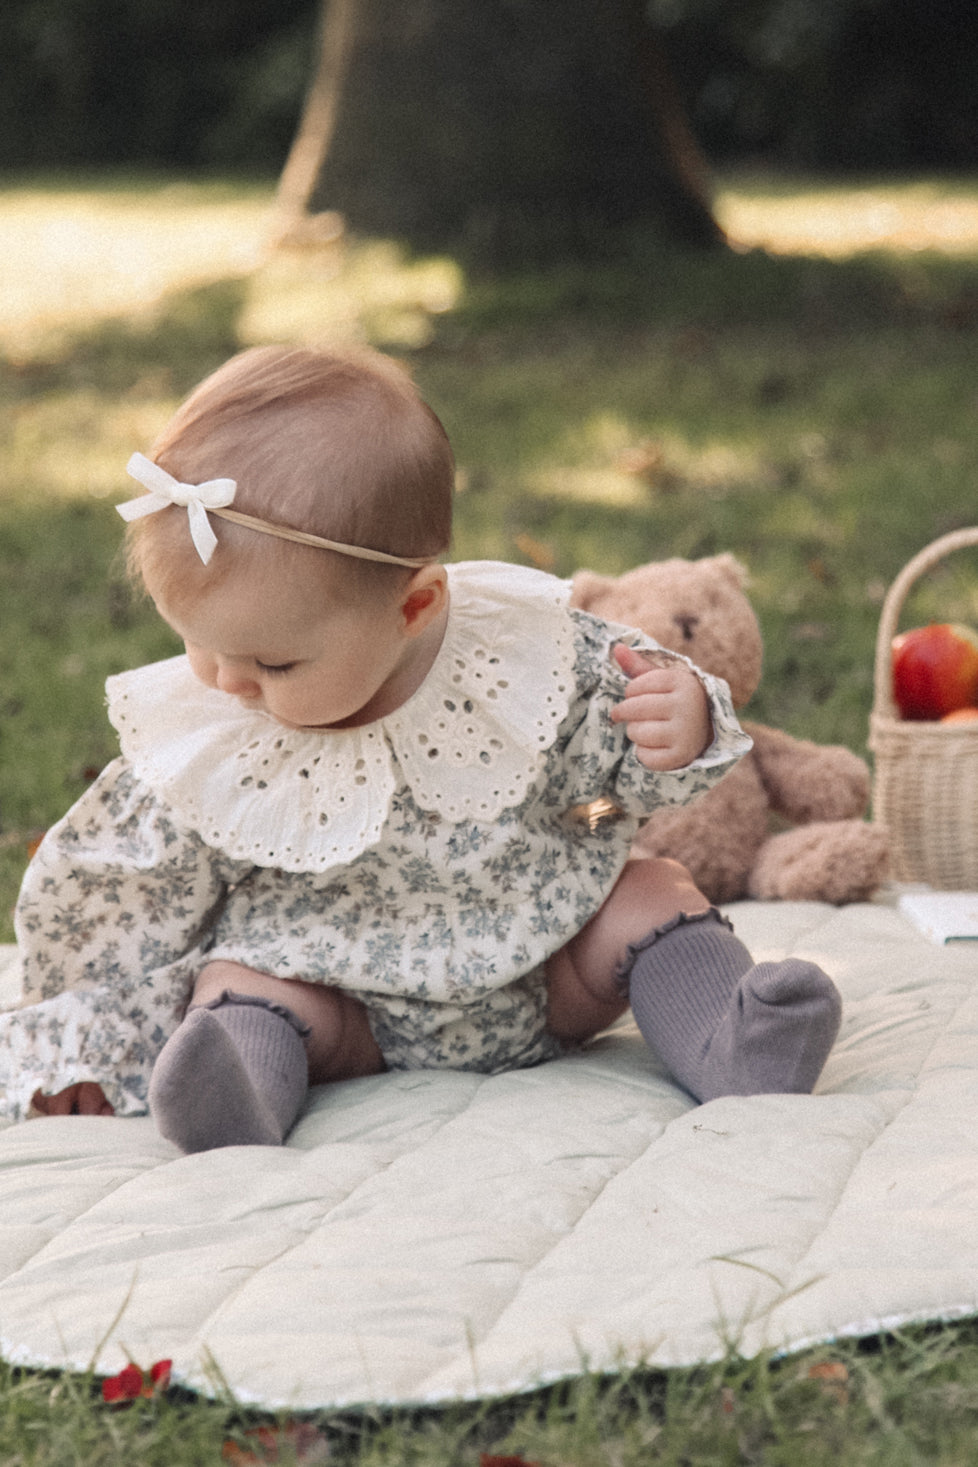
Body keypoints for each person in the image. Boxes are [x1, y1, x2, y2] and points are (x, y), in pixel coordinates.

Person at [4, 346, 841, 1151]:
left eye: (273, 661)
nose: (227, 682)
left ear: (414, 606)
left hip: (547, 960)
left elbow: (616, 774)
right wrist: (77, 1041)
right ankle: (239, 1091)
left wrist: (681, 720)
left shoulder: (524, 658)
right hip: (337, 996)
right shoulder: (218, 728)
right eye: (200, 644)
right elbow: (125, 895)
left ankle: (733, 1036)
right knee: (237, 984)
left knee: (652, 891)